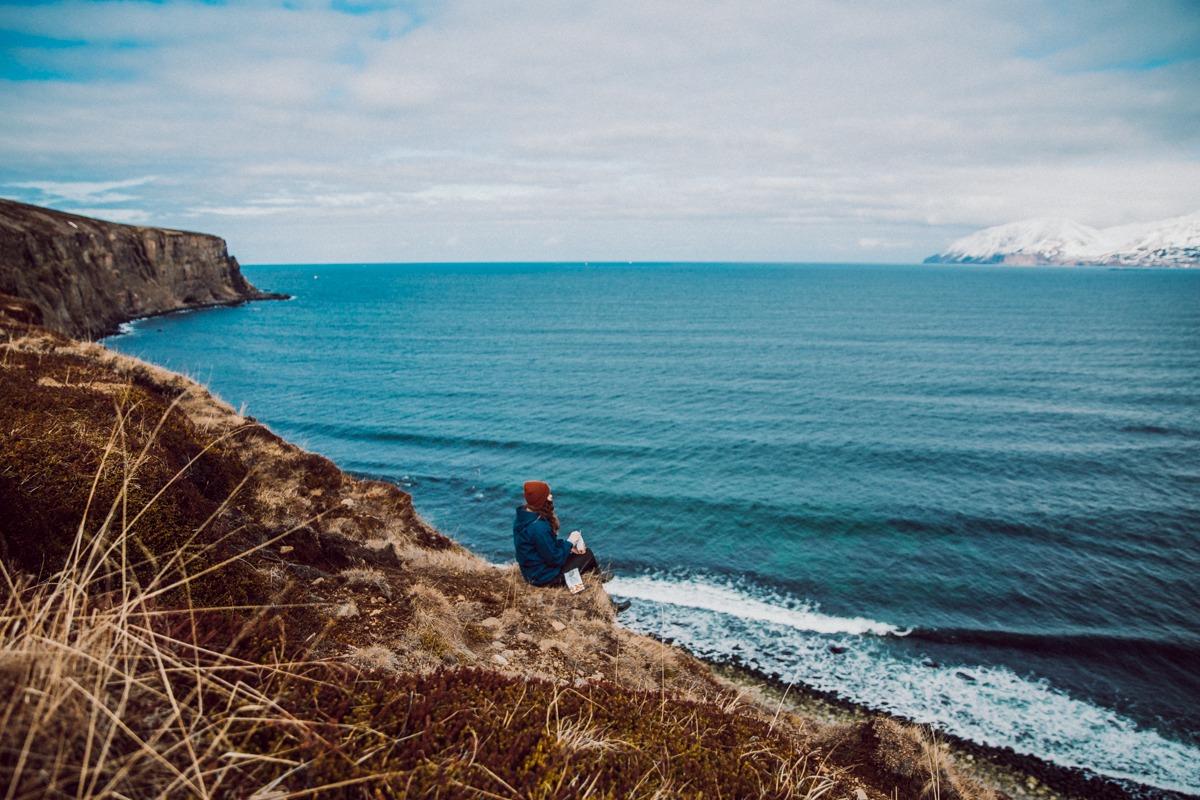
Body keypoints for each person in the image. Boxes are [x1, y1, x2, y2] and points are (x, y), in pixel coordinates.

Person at [513, 481, 629, 610]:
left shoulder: (524, 516)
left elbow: (544, 546)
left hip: (532, 572)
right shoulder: (538, 527)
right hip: (543, 577)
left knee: (579, 556)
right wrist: (570, 541)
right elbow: (554, 559)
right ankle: (604, 599)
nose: (551, 496)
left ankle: (578, 588)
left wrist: (568, 547)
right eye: (548, 494)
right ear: (541, 500)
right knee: (587, 555)